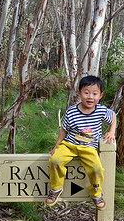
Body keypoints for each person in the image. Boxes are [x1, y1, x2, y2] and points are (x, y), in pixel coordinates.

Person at [46, 75, 116, 211]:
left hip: (89, 148)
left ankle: (96, 193)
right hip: (69, 145)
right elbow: (64, 129)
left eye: (94, 94)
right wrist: (56, 146)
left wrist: (112, 131)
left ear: (100, 95)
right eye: (86, 93)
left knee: (96, 170)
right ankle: (56, 188)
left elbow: (113, 116)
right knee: (54, 161)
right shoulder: (72, 111)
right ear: (79, 94)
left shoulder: (101, 110)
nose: (90, 97)